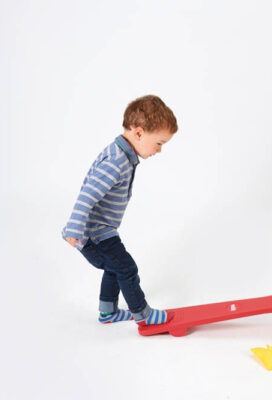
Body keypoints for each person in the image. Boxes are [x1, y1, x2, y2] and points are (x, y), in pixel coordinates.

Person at [62, 95, 177, 326]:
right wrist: (73, 229)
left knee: (114, 268)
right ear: (139, 133)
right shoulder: (116, 161)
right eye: (159, 143)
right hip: (95, 233)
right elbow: (88, 195)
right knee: (126, 268)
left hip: (102, 231)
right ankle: (143, 314)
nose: (160, 150)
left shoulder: (122, 154)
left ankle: (108, 312)